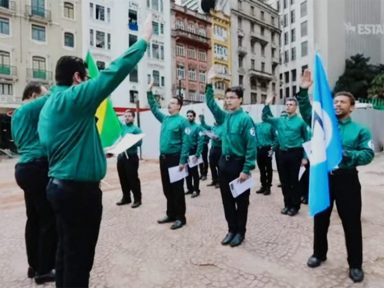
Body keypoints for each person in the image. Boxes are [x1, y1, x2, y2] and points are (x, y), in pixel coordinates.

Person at [37, 15, 152, 288]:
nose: (89, 81)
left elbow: (60, 144)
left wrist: (96, 153)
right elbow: (113, 73)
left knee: (66, 252)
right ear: (78, 77)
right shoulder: (73, 97)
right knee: (80, 258)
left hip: (59, 186)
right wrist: (143, 41)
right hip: (78, 192)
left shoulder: (51, 105)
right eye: (87, 77)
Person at [297, 69, 374, 283]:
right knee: (321, 219)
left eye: (342, 102)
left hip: (347, 180)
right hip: (324, 178)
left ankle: (355, 265)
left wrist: (345, 155)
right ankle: (319, 253)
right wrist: (304, 90)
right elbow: (305, 111)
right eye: (335, 102)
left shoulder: (361, 130)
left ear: (352, 106)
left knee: (351, 223)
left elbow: (368, 155)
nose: (337, 104)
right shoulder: (322, 125)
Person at [205, 67, 257, 247]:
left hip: (239, 165)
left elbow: (251, 146)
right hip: (224, 164)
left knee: (241, 202)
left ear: (240, 100)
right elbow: (211, 104)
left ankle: (240, 232)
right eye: (226, 98)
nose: (228, 101)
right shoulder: (224, 117)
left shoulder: (245, 120)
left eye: (232, 97)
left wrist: (246, 169)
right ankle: (231, 230)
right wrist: (209, 83)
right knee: (226, 200)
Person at [11, 83, 56, 285]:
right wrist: (61, 85)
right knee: (48, 220)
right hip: (36, 167)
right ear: (32, 95)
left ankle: (34, 264)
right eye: (41, 94)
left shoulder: (21, 114)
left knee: (35, 219)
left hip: (27, 168)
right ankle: (44, 270)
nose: (43, 98)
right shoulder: (26, 109)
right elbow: (52, 98)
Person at [147, 82, 191, 230]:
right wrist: (149, 92)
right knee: (167, 188)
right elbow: (154, 109)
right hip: (164, 158)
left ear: (179, 106)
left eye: (173, 103)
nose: (169, 105)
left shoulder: (183, 122)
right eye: (169, 103)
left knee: (177, 189)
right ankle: (170, 213)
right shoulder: (165, 119)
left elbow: (186, 142)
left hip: (175, 159)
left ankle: (180, 217)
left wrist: (183, 160)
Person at [262, 96, 309, 216]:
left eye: (291, 104)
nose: (288, 106)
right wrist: (266, 105)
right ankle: (287, 204)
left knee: (294, 181)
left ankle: (295, 206)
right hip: (282, 153)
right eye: (287, 104)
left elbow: (307, 139)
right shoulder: (280, 120)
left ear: (296, 107)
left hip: (295, 153)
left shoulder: (301, 122)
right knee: (284, 181)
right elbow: (265, 118)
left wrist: (305, 157)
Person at [116, 110, 143, 208]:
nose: (126, 118)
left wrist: (129, 141)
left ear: (133, 117)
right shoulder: (122, 127)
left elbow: (140, 143)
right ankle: (126, 197)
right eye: (125, 116)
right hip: (121, 156)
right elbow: (115, 120)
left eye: (129, 116)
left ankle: (137, 199)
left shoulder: (136, 129)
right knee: (123, 178)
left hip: (131, 157)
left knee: (132, 178)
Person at [199, 114, 223, 188]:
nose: (216, 120)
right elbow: (204, 126)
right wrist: (202, 119)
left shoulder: (223, 127)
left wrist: (219, 138)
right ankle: (214, 180)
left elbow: (225, 137)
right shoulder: (213, 127)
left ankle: (220, 181)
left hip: (220, 148)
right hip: (213, 148)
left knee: (219, 165)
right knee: (212, 165)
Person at [185, 110, 204, 198]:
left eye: (191, 116)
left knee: (194, 172)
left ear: (194, 117)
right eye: (188, 116)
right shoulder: (185, 127)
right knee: (187, 172)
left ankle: (196, 190)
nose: (189, 117)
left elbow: (200, 141)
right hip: (185, 152)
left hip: (193, 152)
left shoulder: (198, 127)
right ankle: (190, 188)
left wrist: (197, 154)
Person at [254, 118, 275, 195]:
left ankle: (268, 187)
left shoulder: (271, 125)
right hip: (259, 149)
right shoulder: (257, 125)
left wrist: (273, 148)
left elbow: (275, 137)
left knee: (268, 168)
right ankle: (263, 185)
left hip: (267, 148)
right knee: (261, 169)